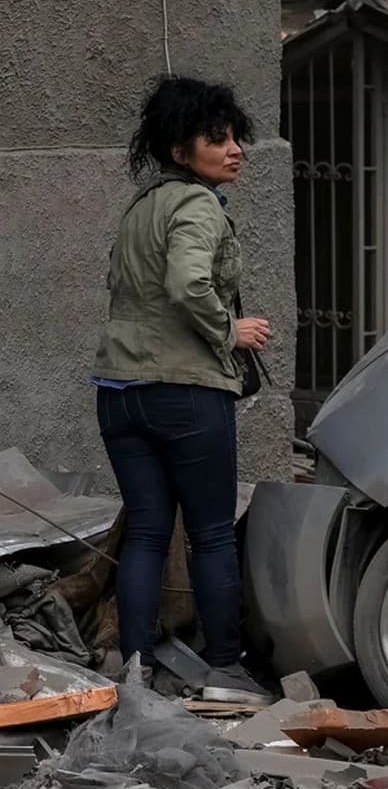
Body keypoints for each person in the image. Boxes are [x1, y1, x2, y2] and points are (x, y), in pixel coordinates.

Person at [91, 76, 275, 700]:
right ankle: (224, 667)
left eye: (235, 138)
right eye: (216, 138)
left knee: (146, 529)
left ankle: (136, 668)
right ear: (179, 151)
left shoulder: (140, 207)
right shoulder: (197, 206)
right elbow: (187, 285)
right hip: (185, 392)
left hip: (119, 392)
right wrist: (233, 331)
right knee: (211, 532)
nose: (235, 149)